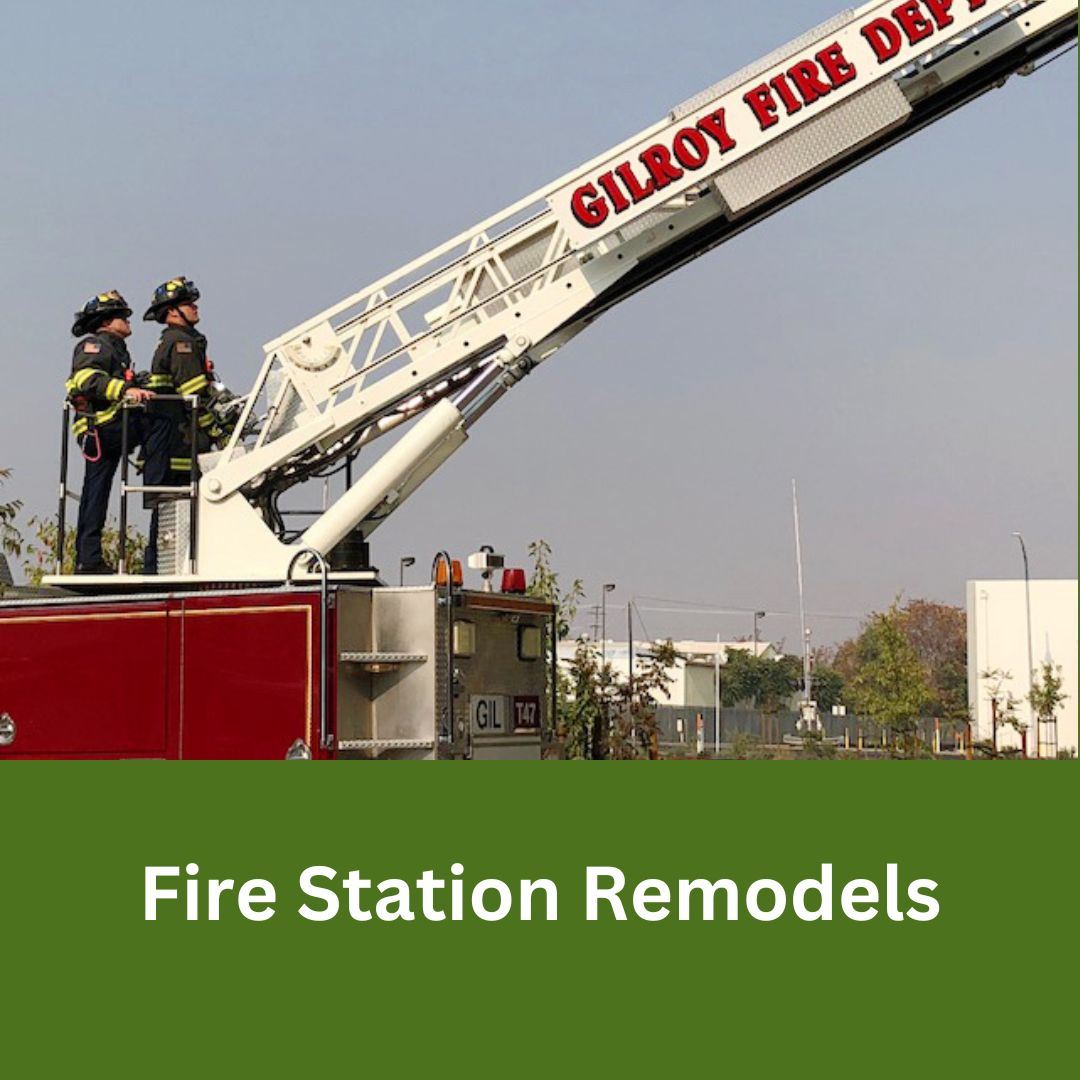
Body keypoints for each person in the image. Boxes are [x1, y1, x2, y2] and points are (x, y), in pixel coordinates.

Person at [66, 290, 170, 574]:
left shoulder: (116, 350)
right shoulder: (95, 345)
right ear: (107, 321)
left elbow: (117, 379)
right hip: (102, 429)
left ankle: (88, 559)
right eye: (122, 316)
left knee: (95, 494)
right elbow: (87, 381)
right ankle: (155, 480)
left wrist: (142, 382)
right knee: (161, 419)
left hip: (104, 430)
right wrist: (128, 390)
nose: (128, 320)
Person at [143, 277, 232, 482]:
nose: (195, 306)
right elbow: (194, 396)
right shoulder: (181, 342)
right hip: (181, 439)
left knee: (172, 506)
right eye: (188, 303)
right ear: (172, 311)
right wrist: (218, 433)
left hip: (174, 438)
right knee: (181, 502)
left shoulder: (174, 340)